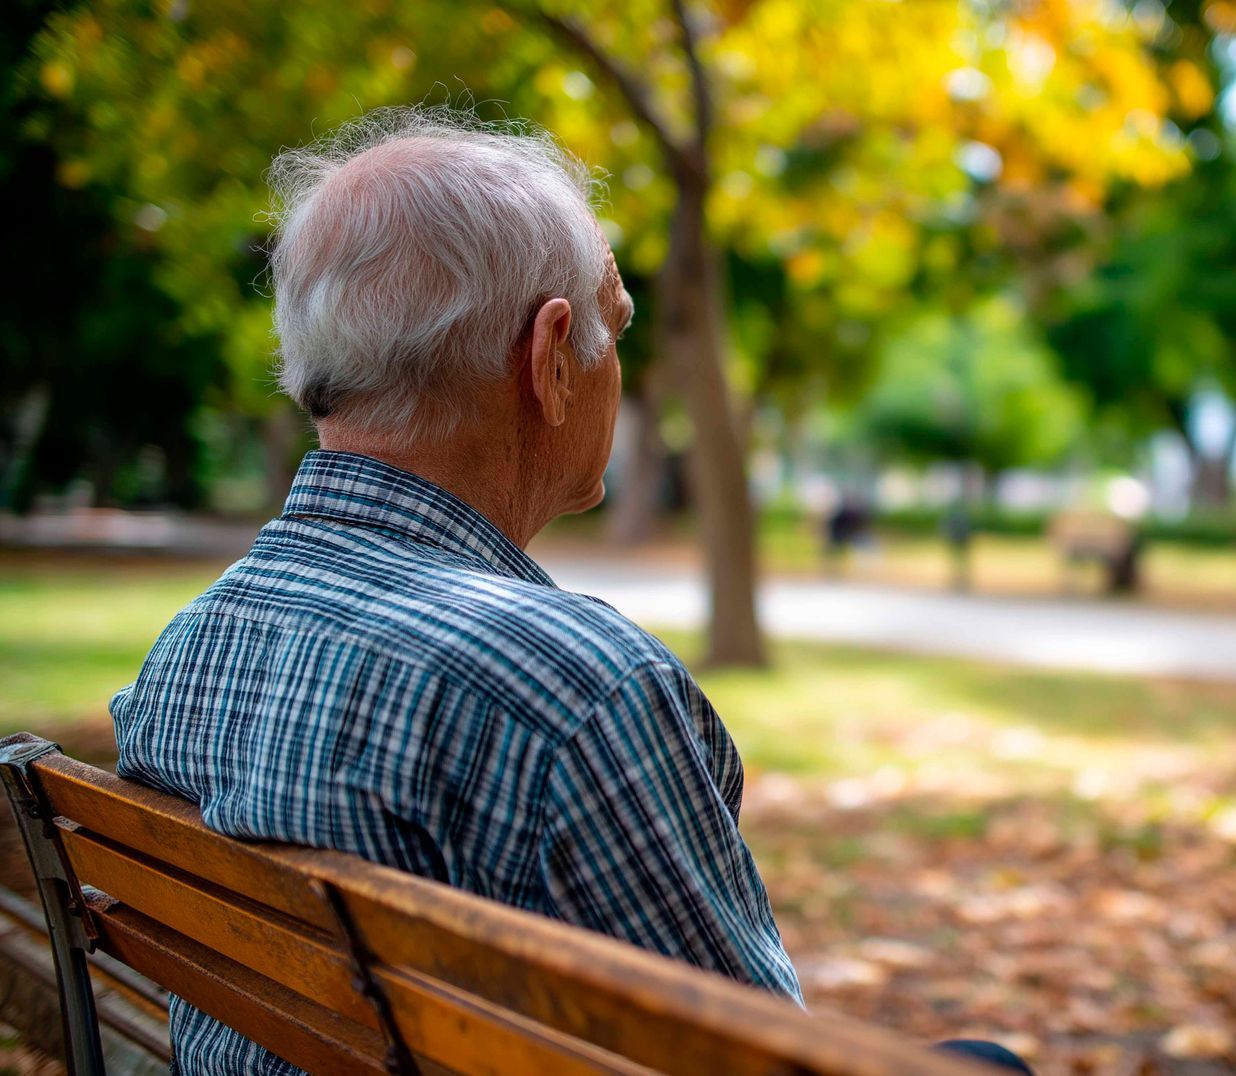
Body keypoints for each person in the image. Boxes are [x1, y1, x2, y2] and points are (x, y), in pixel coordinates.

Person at [108, 107, 799, 1074]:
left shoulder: (195, 644)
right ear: (550, 357)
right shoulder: (577, 690)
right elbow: (756, 1056)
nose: (619, 366)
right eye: (617, 328)